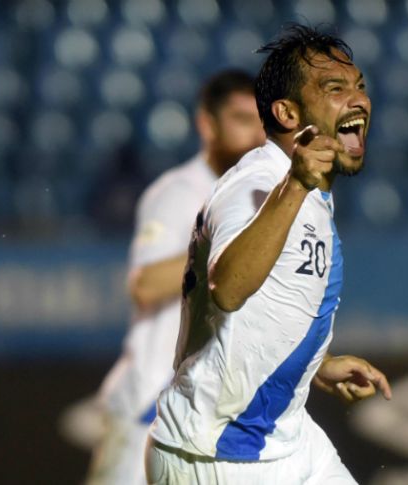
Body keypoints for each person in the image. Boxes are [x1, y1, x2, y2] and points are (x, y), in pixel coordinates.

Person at [144, 23, 392, 484]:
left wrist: (317, 362)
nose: (357, 99)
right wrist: (295, 185)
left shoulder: (305, 185)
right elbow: (229, 287)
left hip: (286, 435)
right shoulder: (258, 182)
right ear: (287, 113)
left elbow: (271, 302)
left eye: (359, 86)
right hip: (220, 456)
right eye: (335, 88)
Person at [84, 69, 266, 485]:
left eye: (261, 122)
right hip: (151, 406)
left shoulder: (264, 197)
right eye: (241, 120)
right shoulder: (179, 192)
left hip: (215, 410)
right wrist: (226, 245)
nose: (255, 135)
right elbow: (146, 285)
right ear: (208, 124)